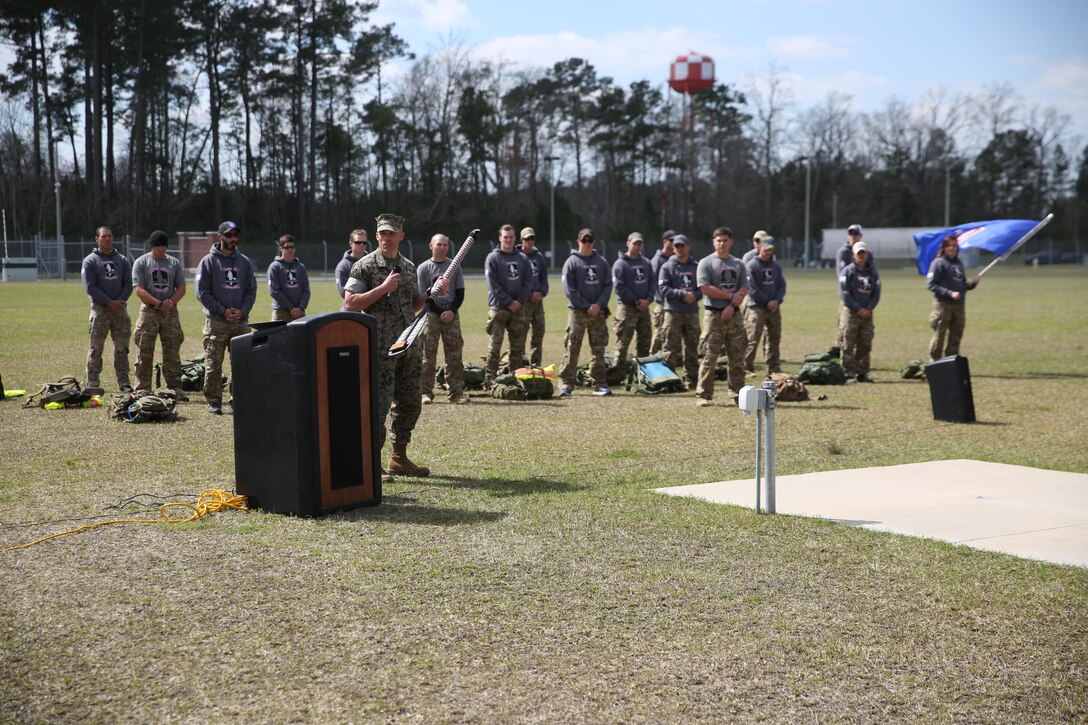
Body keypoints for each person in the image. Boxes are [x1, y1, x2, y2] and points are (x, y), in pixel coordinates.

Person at [344, 213, 439, 479]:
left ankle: (399, 457)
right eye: (382, 233)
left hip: (408, 345)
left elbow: (412, 304)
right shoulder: (364, 266)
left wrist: (430, 294)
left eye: (391, 233)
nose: (386, 238)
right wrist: (383, 288)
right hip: (379, 349)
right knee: (378, 406)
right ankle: (371, 462)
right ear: (376, 236)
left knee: (410, 403)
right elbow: (351, 303)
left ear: (401, 236)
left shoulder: (408, 267)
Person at [195, 221, 258, 414]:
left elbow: (251, 290)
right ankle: (214, 401)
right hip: (217, 322)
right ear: (220, 236)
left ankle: (237, 399)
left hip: (240, 322)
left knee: (241, 363)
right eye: (229, 235)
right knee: (213, 364)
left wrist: (242, 311)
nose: (233, 239)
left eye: (235, 235)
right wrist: (222, 311)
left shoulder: (244, 262)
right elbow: (202, 292)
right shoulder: (208, 261)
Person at [694, 227, 749, 406]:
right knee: (709, 355)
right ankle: (703, 394)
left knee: (737, 356)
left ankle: (737, 394)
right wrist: (730, 297)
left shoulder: (738, 264)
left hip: (734, 315)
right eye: (718, 240)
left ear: (731, 242)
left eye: (725, 240)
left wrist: (732, 305)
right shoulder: (706, 263)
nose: (721, 243)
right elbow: (705, 288)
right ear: (713, 242)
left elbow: (743, 288)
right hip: (713, 314)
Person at [557, 228, 613, 397]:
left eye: (590, 240)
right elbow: (569, 290)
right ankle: (566, 383)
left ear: (594, 242)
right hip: (578, 313)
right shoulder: (572, 262)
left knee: (599, 349)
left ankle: (599, 383)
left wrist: (599, 305)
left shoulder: (601, 262)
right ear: (578, 242)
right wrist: (586, 306)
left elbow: (608, 285)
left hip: (598, 312)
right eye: (584, 241)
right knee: (572, 347)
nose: (587, 244)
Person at [131, 230, 187, 397]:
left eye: (164, 246)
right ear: (152, 246)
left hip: (170, 312)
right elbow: (138, 289)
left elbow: (182, 288)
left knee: (172, 350)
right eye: (158, 247)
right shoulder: (142, 262)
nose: (162, 250)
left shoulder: (174, 263)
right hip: (149, 311)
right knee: (144, 349)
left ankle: (174, 387)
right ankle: (142, 388)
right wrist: (158, 303)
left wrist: (169, 303)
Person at [416, 233, 469, 405]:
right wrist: (439, 312)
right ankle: (425, 391)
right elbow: (422, 296)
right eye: (439, 244)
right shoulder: (423, 268)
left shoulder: (455, 266)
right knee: (428, 355)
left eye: (445, 245)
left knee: (454, 354)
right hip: (431, 314)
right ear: (430, 246)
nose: (442, 247)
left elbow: (460, 293)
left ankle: (455, 392)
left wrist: (452, 311)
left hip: (451, 314)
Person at [81, 226, 133, 393]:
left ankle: (124, 383)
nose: (107, 239)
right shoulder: (90, 261)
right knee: (96, 349)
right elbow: (90, 287)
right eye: (104, 236)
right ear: (97, 239)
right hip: (100, 311)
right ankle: (93, 383)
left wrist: (121, 300)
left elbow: (128, 283)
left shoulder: (122, 260)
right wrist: (109, 302)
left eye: (110, 236)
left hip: (120, 311)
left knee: (122, 349)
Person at [483, 223, 533, 386]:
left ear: (515, 238)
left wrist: (518, 302)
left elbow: (528, 282)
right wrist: (508, 302)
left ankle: (515, 376)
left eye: (511, 237)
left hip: (518, 309)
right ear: (500, 238)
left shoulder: (523, 258)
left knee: (517, 347)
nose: (508, 240)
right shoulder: (493, 258)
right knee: (494, 346)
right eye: (505, 237)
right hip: (499, 309)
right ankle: (490, 379)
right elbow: (493, 285)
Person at [658, 234, 702, 389]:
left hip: (691, 312)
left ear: (688, 246)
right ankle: (667, 381)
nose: (679, 249)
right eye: (676, 246)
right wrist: (683, 295)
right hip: (673, 312)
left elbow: (703, 287)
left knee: (692, 347)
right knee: (670, 347)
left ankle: (692, 380)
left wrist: (694, 296)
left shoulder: (696, 266)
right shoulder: (667, 266)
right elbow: (663, 288)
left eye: (682, 246)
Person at [927, 234, 979, 360]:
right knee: (940, 335)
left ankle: (950, 363)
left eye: (954, 246)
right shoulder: (938, 263)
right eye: (949, 246)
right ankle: (934, 363)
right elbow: (931, 284)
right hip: (943, 305)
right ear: (944, 248)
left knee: (956, 335)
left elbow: (962, 285)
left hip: (959, 305)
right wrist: (949, 293)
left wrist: (972, 283)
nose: (952, 248)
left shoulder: (959, 263)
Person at [611, 232, 655, 368]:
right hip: (627, 308)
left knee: (645, 340)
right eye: (634, 243)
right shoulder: (620, 264)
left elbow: (652, 284)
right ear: (628, 243)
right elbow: (619, 287)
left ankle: (642, 372)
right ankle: (617, 373)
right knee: (623, 343)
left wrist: (648, 300)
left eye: (639, 243)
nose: (637, 246)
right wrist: (636, 301)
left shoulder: (646, 263)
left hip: (644, 308)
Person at [839, 240, 881, 382]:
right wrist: (857, 308)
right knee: (848, 342)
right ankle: (848, 372)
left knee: (866, 342)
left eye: (863, 253)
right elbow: (844, 293)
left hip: (867, 314)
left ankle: (863, 371)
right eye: (859, 254)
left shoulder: (873, 272)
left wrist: (868, 308)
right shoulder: (848, 271)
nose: (861, 256)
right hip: (851, 313)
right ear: (854, 255)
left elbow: (876, 292)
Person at [744, 238, 786, 375]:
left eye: (770, 250)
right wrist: (767, 301)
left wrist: (777, 300)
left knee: (774, 337)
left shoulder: (775, 266)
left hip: (774, 307)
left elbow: (782, 285)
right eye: (766, 249)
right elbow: (751, 288)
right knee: (752, 337)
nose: (768, 252)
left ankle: (774, 367)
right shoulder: (752, 265)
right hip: (757, 307)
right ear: (759, 249)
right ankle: (746, 366)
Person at [837, 224, 872, 352]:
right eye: (850, 233)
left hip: (863, 296)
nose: (853, 236)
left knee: (865, 332)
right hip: (848, 296)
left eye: (855, 233)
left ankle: (861, 361)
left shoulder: (867, 253)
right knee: (845, 330)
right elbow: (841, 276)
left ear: (861, 235)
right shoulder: (843, 252)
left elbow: (871, 274)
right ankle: (844, 358)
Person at [519, 227, 549, 366]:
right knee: (520, 334)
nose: (529, 241)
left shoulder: (539, 256)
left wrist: (541, 293)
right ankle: (520, 364)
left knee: (538, 333)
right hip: (524, 302)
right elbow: (515, 281)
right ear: (521, 240)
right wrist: (529, 294)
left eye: (531, 239)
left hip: (538, 302)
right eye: (527, 239)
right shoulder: (517, 256)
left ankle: (536, 365)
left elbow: (544, 278)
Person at [267, 234, 310, 322]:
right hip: (281, 314)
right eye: (287, 247)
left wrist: (301, 307)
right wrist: (290, 308)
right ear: (280, 248)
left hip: (299, 313)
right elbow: (274, 291)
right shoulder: (275, 267)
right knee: (278, 336)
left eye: (292, 247)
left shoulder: (300, 267)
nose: (290, 249)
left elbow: (306, 290)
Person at [649, 229, 677, 354]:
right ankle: (653, 355)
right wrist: (661, 298)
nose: (674, 243)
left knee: (671, 333)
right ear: (665, 242)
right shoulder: (658, 260)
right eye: (671, 240)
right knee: (660, 332)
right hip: (662, 303)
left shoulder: (674, 258)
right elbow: (653, 282)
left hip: (674, 303)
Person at [335, 229, 369, 302]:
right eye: (358, 242)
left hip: (371, 311)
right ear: (351, 243)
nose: (361, 245)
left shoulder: (372, 262)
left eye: (364, 242)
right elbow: (343, 293)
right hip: (352, 311)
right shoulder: (343, 266)